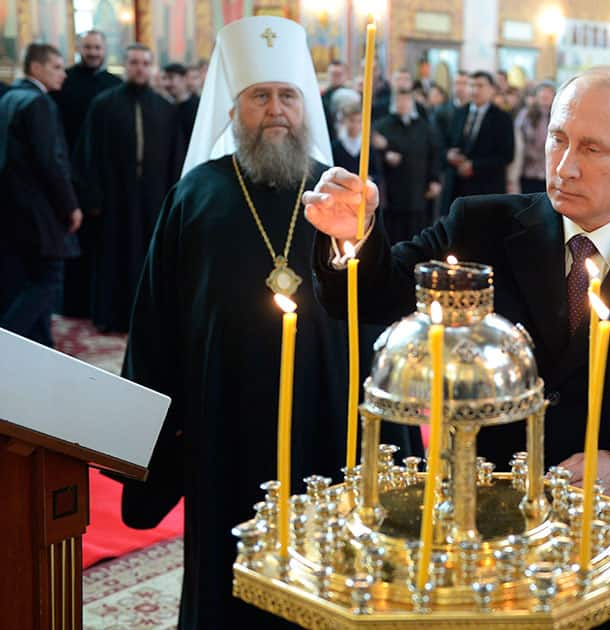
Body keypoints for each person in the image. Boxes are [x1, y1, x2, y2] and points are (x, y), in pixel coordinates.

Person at [303, 64, 610, 630]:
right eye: (558, 139)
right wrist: (352, 237)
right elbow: (378, 294)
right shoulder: (481, 225)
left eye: (593, 149)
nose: (565, 166)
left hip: (605, 555)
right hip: (474, 538)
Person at [117, 17, 415, 629]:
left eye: (287, 96)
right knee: (228, 568)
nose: (275, 110)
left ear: (304, 107)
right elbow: (156, 320)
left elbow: (377, 305)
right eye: (260, 96)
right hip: (222, 415)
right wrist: (148, 436)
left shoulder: (339, 193)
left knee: (322, 563)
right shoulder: (194, 195)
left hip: (324, 411)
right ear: (233, 108)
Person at [73, 43, 183, 333]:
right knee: (113, 257)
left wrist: (174, 199)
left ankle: (146, 318)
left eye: (145, 63)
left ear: (152, 67)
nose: (139, 68)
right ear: (125, 65)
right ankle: (111, 317)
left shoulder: (165, 108)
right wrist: (92, 196)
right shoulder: (103, 104)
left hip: (153, 198)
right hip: (114, 198)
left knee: (149, 257)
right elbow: (88, 154)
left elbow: (176, 158)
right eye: (134, 63)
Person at [0, 44, 82, 345]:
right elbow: (51, 162)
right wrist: (71, 207)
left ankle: (40, 352)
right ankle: (7, 344)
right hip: (40, 214)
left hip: (13, 211)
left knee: (24, 282)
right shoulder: (39, 103)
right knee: (48, 281)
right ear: (36, 68)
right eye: (57, 67)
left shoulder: (9, 97)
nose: (63, 74)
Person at [52, 29, 121, 318]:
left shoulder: (114, 85)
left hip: (106, 180)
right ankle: (74, 305)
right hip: (69, 175)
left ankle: (101, 304)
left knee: (103, 246)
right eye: (88, 47)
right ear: (79, 48)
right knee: (73, 243)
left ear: (105, 50)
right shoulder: (65, 82)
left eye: (97, 47)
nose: (93, 52)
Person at [373, 88, 441, 243]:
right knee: (393, 234)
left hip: (418, 190)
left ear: (412, 103)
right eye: (399, 100)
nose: (402, 104)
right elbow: (374, 154)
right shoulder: (382, 126)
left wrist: (435, 179)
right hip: (393, 192)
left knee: (417, 234)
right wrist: (385, 152)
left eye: (406, 100)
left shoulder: (424, 127)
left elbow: (434, 154)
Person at [442, 70, 514, 204]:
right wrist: (448, 154)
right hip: (456, 188)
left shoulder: (502, 118)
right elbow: (446, 143)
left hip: (486, 188)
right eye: (471, 85)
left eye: (480, 86)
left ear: (492, 89)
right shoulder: (459, 113)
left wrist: (474, 165)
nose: (474, 90)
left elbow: (507, 155)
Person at [513, 81, 555, 194]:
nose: (545, 96)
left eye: (549, 93)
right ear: (536, 96)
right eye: (542, 93)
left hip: (550, 171)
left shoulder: (559, 114)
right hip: (528, 170)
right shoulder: (525, 114)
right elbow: (517, 139)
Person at [162, 62, 199, 147]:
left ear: (184, 79)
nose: (167, 83)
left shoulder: (198, 107)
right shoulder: (165, 107)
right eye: (164, 78)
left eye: (171, 78)